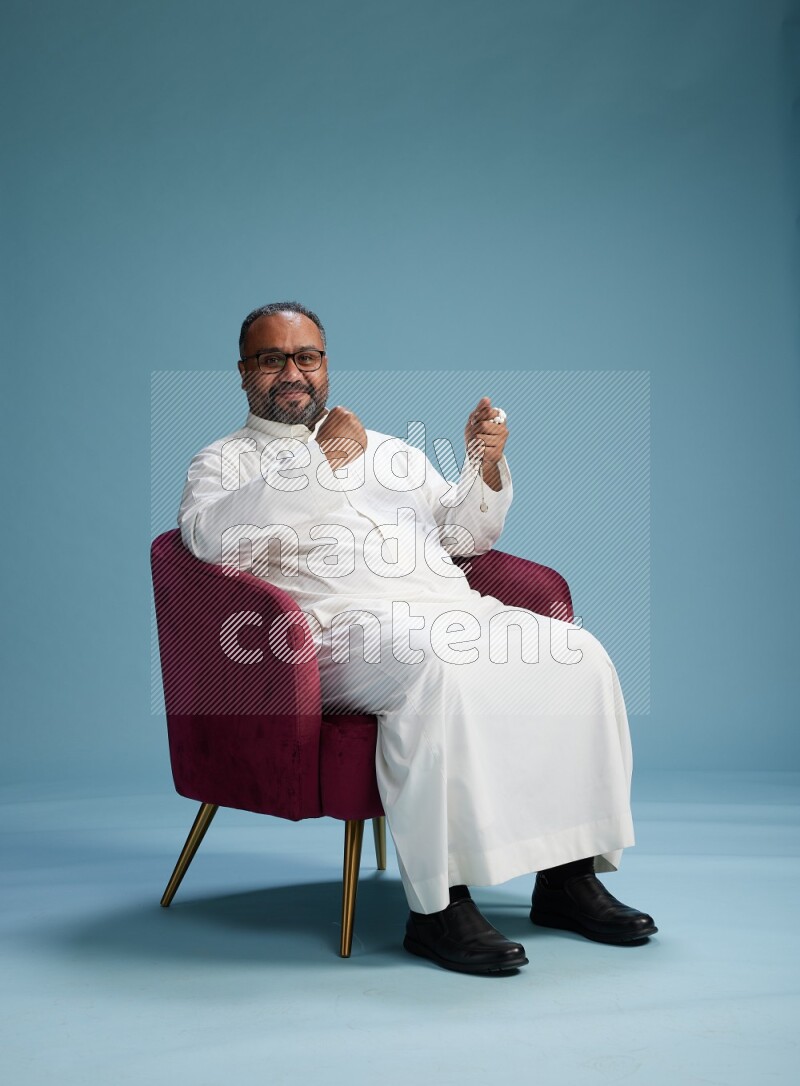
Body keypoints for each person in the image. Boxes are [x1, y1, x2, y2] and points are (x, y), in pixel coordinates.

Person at [178, 300, 657, 975]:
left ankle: (568, 877)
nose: (292, 371)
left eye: (306, 356)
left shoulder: (392, 453)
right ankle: (439, 908)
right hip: (332, 634)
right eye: (272, 358)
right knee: (437, 667)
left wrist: (483, 469)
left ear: (325, 365)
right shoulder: (222, 462)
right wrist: (318, 464)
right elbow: (209, 541)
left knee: (579, 655)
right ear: (243, 372)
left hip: (446, 608)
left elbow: (462, 537)